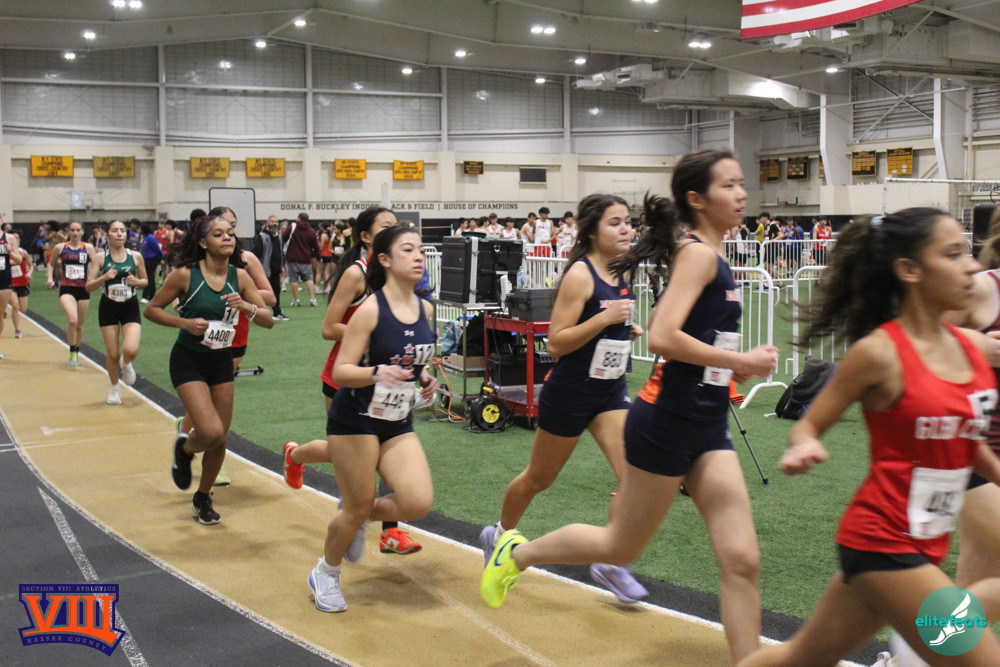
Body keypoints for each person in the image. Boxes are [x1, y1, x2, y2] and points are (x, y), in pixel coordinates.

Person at [479, 149, 779, 664]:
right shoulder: (692, 256)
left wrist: (730, 365)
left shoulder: (695, 258)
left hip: (688, 417)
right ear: (696, 199)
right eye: (729, 185)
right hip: (637, 411)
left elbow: (678, 334)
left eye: (741, 183)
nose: (742, 193)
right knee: (575, 505)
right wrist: (739, 359)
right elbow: (661, 336)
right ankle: (513, 548)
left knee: (742, 560)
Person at [738, 208, 1000, 667]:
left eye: (967, 251)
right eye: (954, 254)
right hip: (883, 542)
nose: (973, 265)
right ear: (910, 270)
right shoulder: (879, 353)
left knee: (801, 657)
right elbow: (808, 424)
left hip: (925, 542)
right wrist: (805, 444)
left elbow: (964, 438)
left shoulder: (972, 349)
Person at [478, 193, 649, 604]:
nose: (626, 229)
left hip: (610, 391)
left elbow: (605, 326)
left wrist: (624, 330)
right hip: (571, 392)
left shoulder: (622, 270)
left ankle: (613, 561)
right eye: (615, 223)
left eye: (627, 222)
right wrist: (605, 319)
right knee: (540, 478)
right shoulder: (580, 275)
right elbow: (556, 343)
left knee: (635, 478)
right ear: (592, 231)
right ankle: (498, 534)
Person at [305, 224, 437, 613]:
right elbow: (342, 370)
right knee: (357, 507)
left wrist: (424, 377)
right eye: (407, 249)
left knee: (417, 502)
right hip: (355, 420)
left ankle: (355, 513)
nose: (418, 256)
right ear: (384, 259)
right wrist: (378, 373)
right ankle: (326, 572)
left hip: (396, 420)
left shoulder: (426, 308)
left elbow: (414, 359)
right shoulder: (370, 310)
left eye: (420, 250)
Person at [284, 207, 422, 555]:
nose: (394, 232)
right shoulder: (356, 274)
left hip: (389, 383)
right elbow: (329, 328)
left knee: (389, 452)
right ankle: (296, 456)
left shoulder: (402, 279)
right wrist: (375, 334)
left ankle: (390, 531)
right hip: (346, 378)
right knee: (350, 456)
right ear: (365, 237)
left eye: (397, 227)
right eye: (386, 227)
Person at [144, 215, 273, 524]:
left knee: (220, 438)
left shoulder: (240, 277)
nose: (227, 238)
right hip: (188, 360)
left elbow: (268, 319)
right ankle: (186, 450)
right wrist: (184, 323)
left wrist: (246, 307)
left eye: (230, 233)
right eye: (218, 234)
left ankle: (202, 496)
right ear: (203, 242)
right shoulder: (184, 276)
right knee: (211, 431)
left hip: (221, 361)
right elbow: (151, 309)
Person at [85, 220, 147, 405]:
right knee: (112, 354)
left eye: (122, 231)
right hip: (108, 307)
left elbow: (145, 281)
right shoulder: (100, 258)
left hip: (130, 306)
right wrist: (104, 277)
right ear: (107, 234)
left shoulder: (135, 256)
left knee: (130, 349)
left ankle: (126, 364)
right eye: (115, 231)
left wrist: (137, 282)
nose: (119, 234)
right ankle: (114, 388)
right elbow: (88, 286)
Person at [46, 221, 95, 366]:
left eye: (78, 230)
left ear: (82, 232)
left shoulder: (88, 248)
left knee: (79, 325)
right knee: (73, 320)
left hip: (83, 290)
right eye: (72, 230)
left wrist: (95, 277)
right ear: (68, 232)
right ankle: (72, 350)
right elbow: (51, 264)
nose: (75, 233)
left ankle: (77, 349)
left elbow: (97, 264)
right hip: (67, 289)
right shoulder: (61, 247)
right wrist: (49, 278)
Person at [252, 215, 288, 321]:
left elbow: (281, 253)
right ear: (267, 223)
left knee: (276, 291)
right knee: (263, 293)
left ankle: (277, 313)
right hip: (264, 271)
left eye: (276, 222)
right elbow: (255, 254)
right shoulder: (261, 237)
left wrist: (281, 266)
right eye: (272, 221)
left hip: (276, 270)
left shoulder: (279, 237)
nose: (275, 223)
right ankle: (259, 314)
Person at [283, 211, 321, 306]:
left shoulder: (292, 228)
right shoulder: (311, 231)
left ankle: (296, 300)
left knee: (294, 280)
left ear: (299, 219)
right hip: (306, 259)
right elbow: (316, 246)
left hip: (292, 258)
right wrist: (318, 257)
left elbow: (283, 238)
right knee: (309, 279)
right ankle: (312, 299)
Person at [0, 224, 25, 358]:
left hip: (4, 279)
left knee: (0, 313)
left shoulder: (9, 238)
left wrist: (9, 251)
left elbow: (19, 259)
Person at [8, 232, 33, 338]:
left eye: (17, 238)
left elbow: (31, 265)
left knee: (23, 309)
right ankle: (17, 330)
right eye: (13, 238)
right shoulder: (5, 253)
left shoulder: (23, 252)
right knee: (15, 305)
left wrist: (29, 273)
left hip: (22, 283)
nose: (15, 239)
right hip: (10, 283)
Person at [139, 222, 163, 303]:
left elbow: (156, 248)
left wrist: (160, 257)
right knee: (151, 278)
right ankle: (152, 296)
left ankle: (145, 296)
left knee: (148, 277)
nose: (140, 231)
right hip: (146, 259)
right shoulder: (144, 238)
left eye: (141, 229)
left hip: (152, 259)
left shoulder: (151, 237)